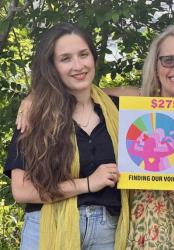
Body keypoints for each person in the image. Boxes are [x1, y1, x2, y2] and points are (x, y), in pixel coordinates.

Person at [15, 25, 174, 249]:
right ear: (155, 66)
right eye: (168, 60)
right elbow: (80, 88)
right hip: (147, 227)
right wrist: (34, 97)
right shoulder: (135, 104)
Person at [5, 22, 129, 250]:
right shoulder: (35, 116)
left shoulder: (119, 110)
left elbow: (158, 91)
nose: (78, 65)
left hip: (107, 232)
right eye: (66, 59)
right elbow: (21, 191)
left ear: (94, 58)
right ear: (52, 66)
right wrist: (89, 183)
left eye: (84, 55)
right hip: (47, 228)